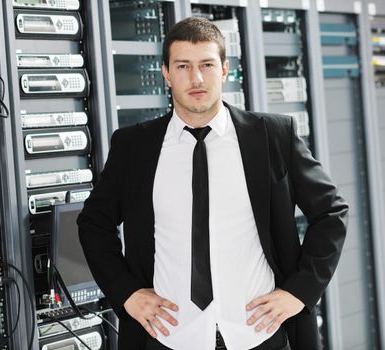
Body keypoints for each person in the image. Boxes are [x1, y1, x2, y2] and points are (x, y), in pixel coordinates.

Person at [77, 16, 348, 350]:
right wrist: (126, 292)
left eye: (206, 64)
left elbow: (331, 213)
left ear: (224, 69)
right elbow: (93, 223)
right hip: (170, 338)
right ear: (165, 73)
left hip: (257, 336)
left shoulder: (272, 136)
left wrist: (299, 292)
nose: (196, 78)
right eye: (182, 66)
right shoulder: (134, 147)